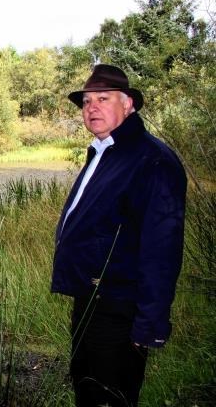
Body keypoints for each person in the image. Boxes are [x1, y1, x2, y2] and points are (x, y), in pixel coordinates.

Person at [51, 64, 186, 406]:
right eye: (86, 102)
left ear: (128, 105)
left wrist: (150, 324)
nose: (92, 107)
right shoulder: (105, 152)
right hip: (90, 298)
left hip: (121, 307)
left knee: (111, 395)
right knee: (86, 387)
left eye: (103, 99)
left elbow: (162, 249)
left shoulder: (152, 160)